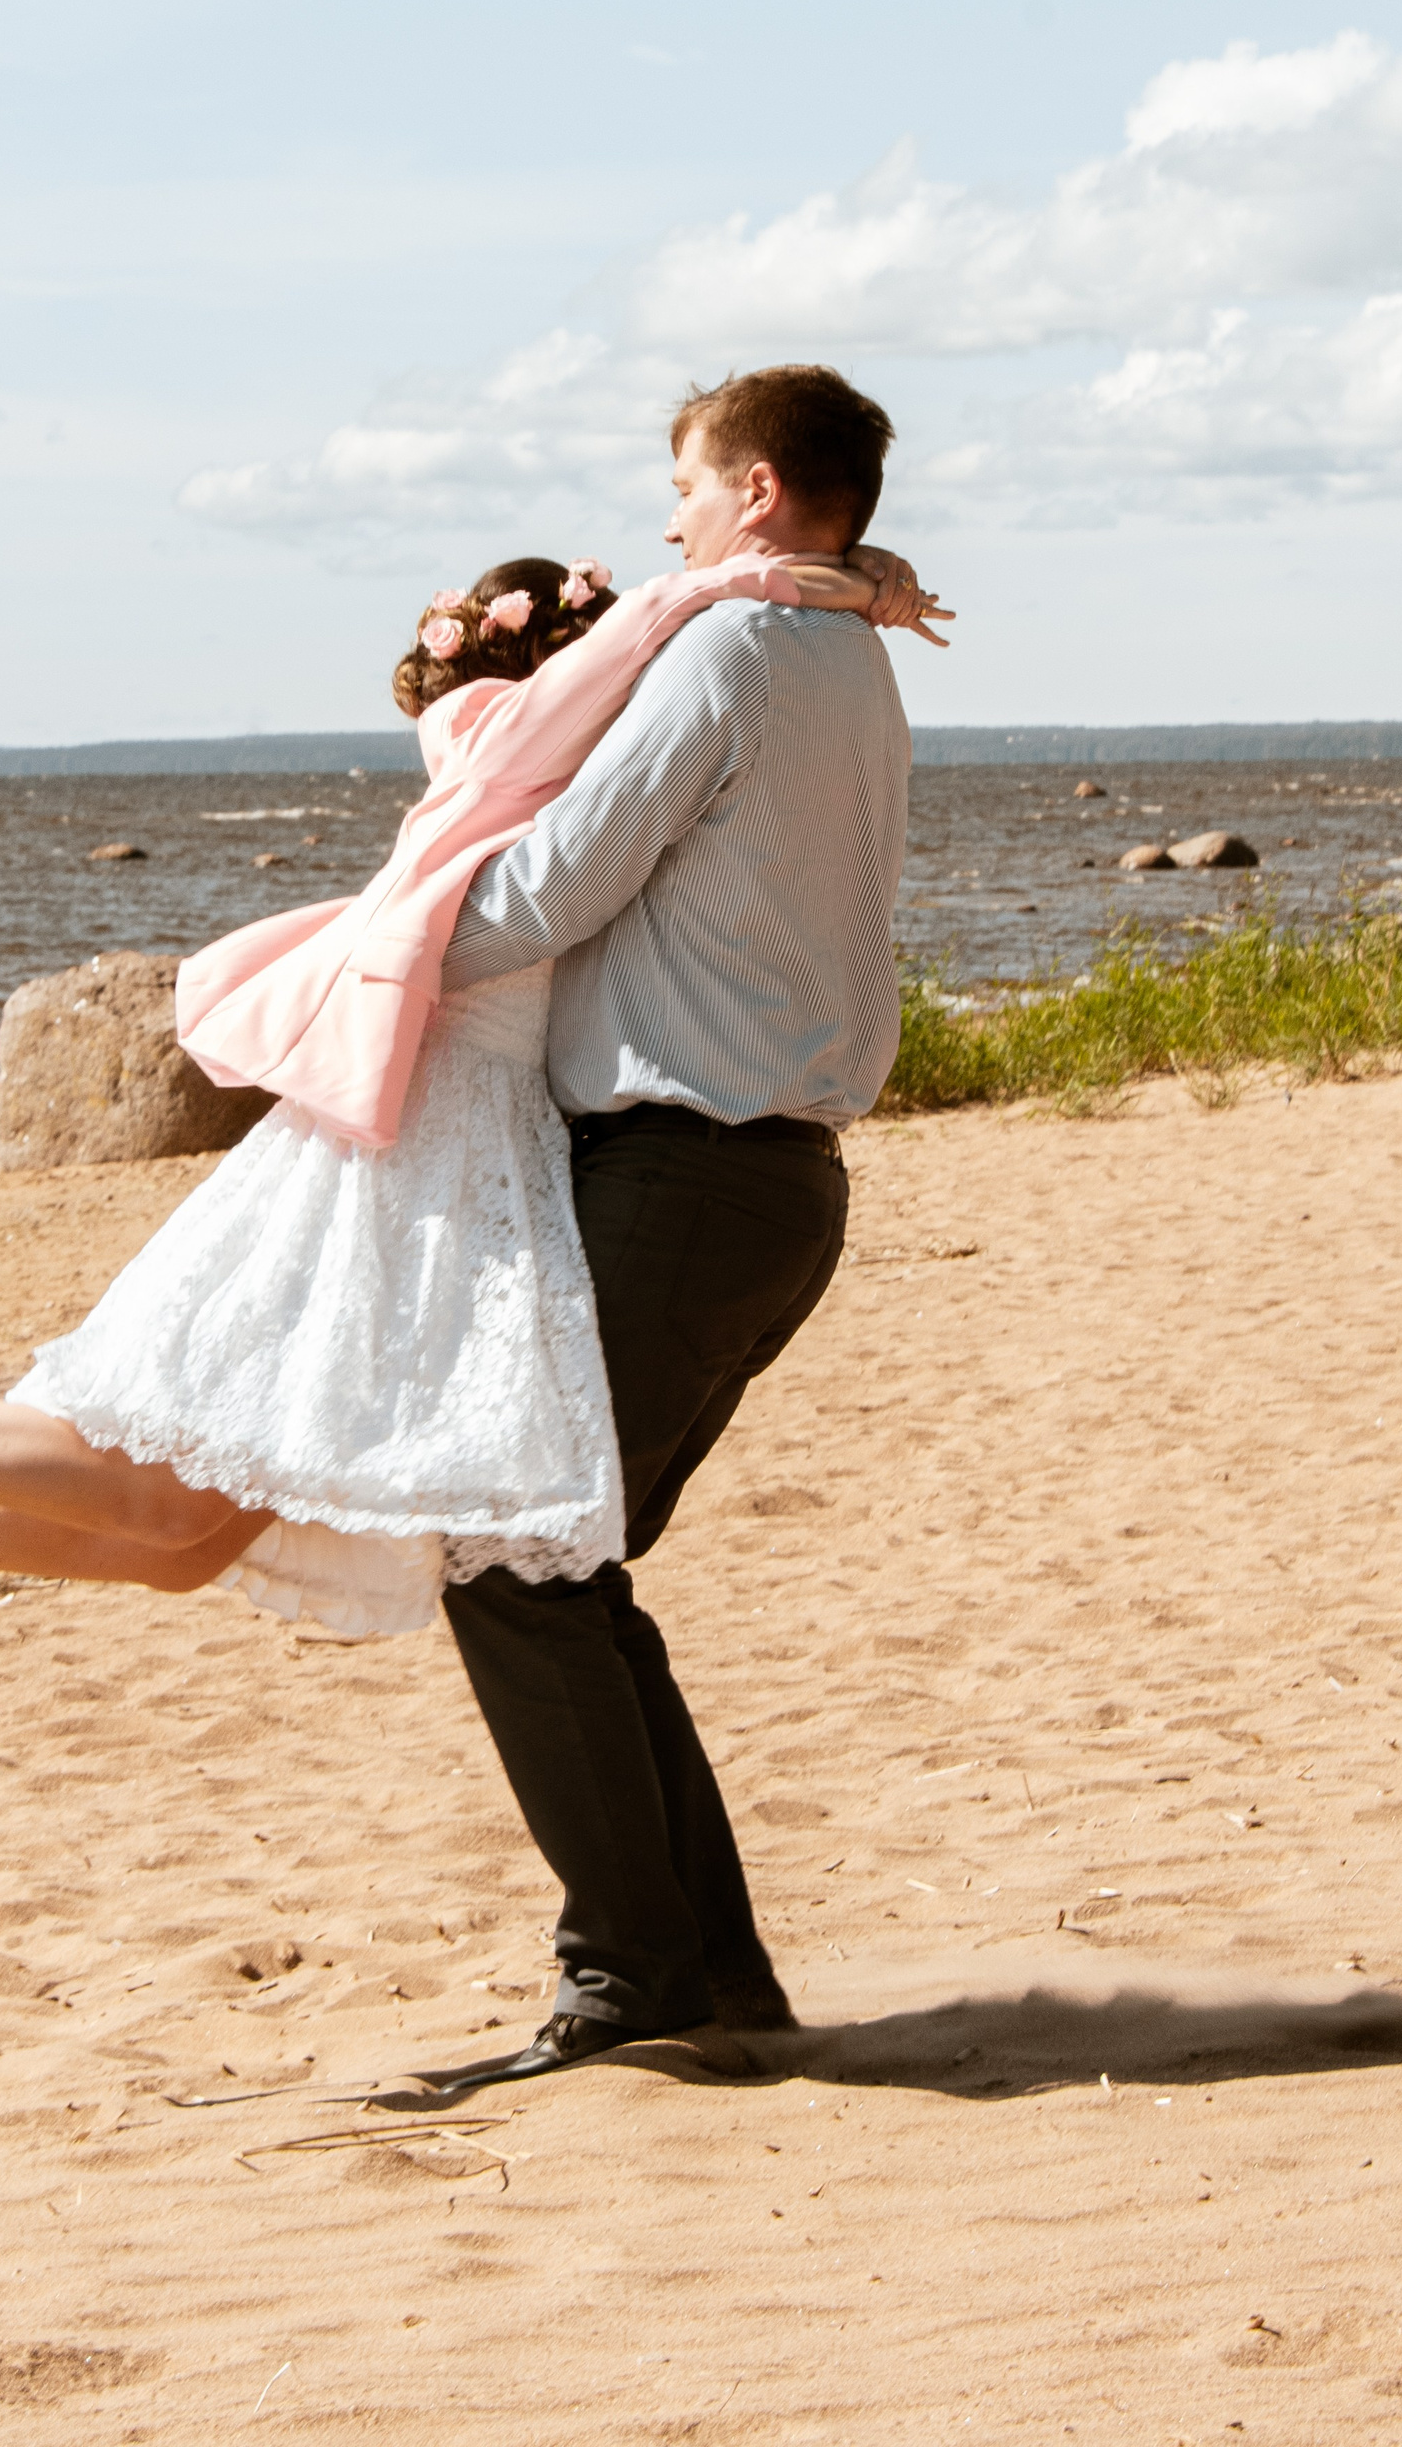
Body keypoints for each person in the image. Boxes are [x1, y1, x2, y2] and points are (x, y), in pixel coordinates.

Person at [0, 532, 941, 1669]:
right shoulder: (497, 738)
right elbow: (653, 649)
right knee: (143, 1468)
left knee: (183, 1541)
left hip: (464, 1168)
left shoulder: (567, 745)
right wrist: (747, 584)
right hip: (386, 1171)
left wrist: (847, 584)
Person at [428, 363, 917, 2086]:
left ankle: (641, 1975)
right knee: (566, 1565)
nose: (672, 520)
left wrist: (383, 943)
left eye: (694, 489)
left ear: (765, 494)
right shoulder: (843, 647)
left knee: (510, 1562)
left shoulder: (729, 651)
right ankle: (700, 1969)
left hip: (687, 1176)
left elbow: (561, 882)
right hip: (765, 1186)